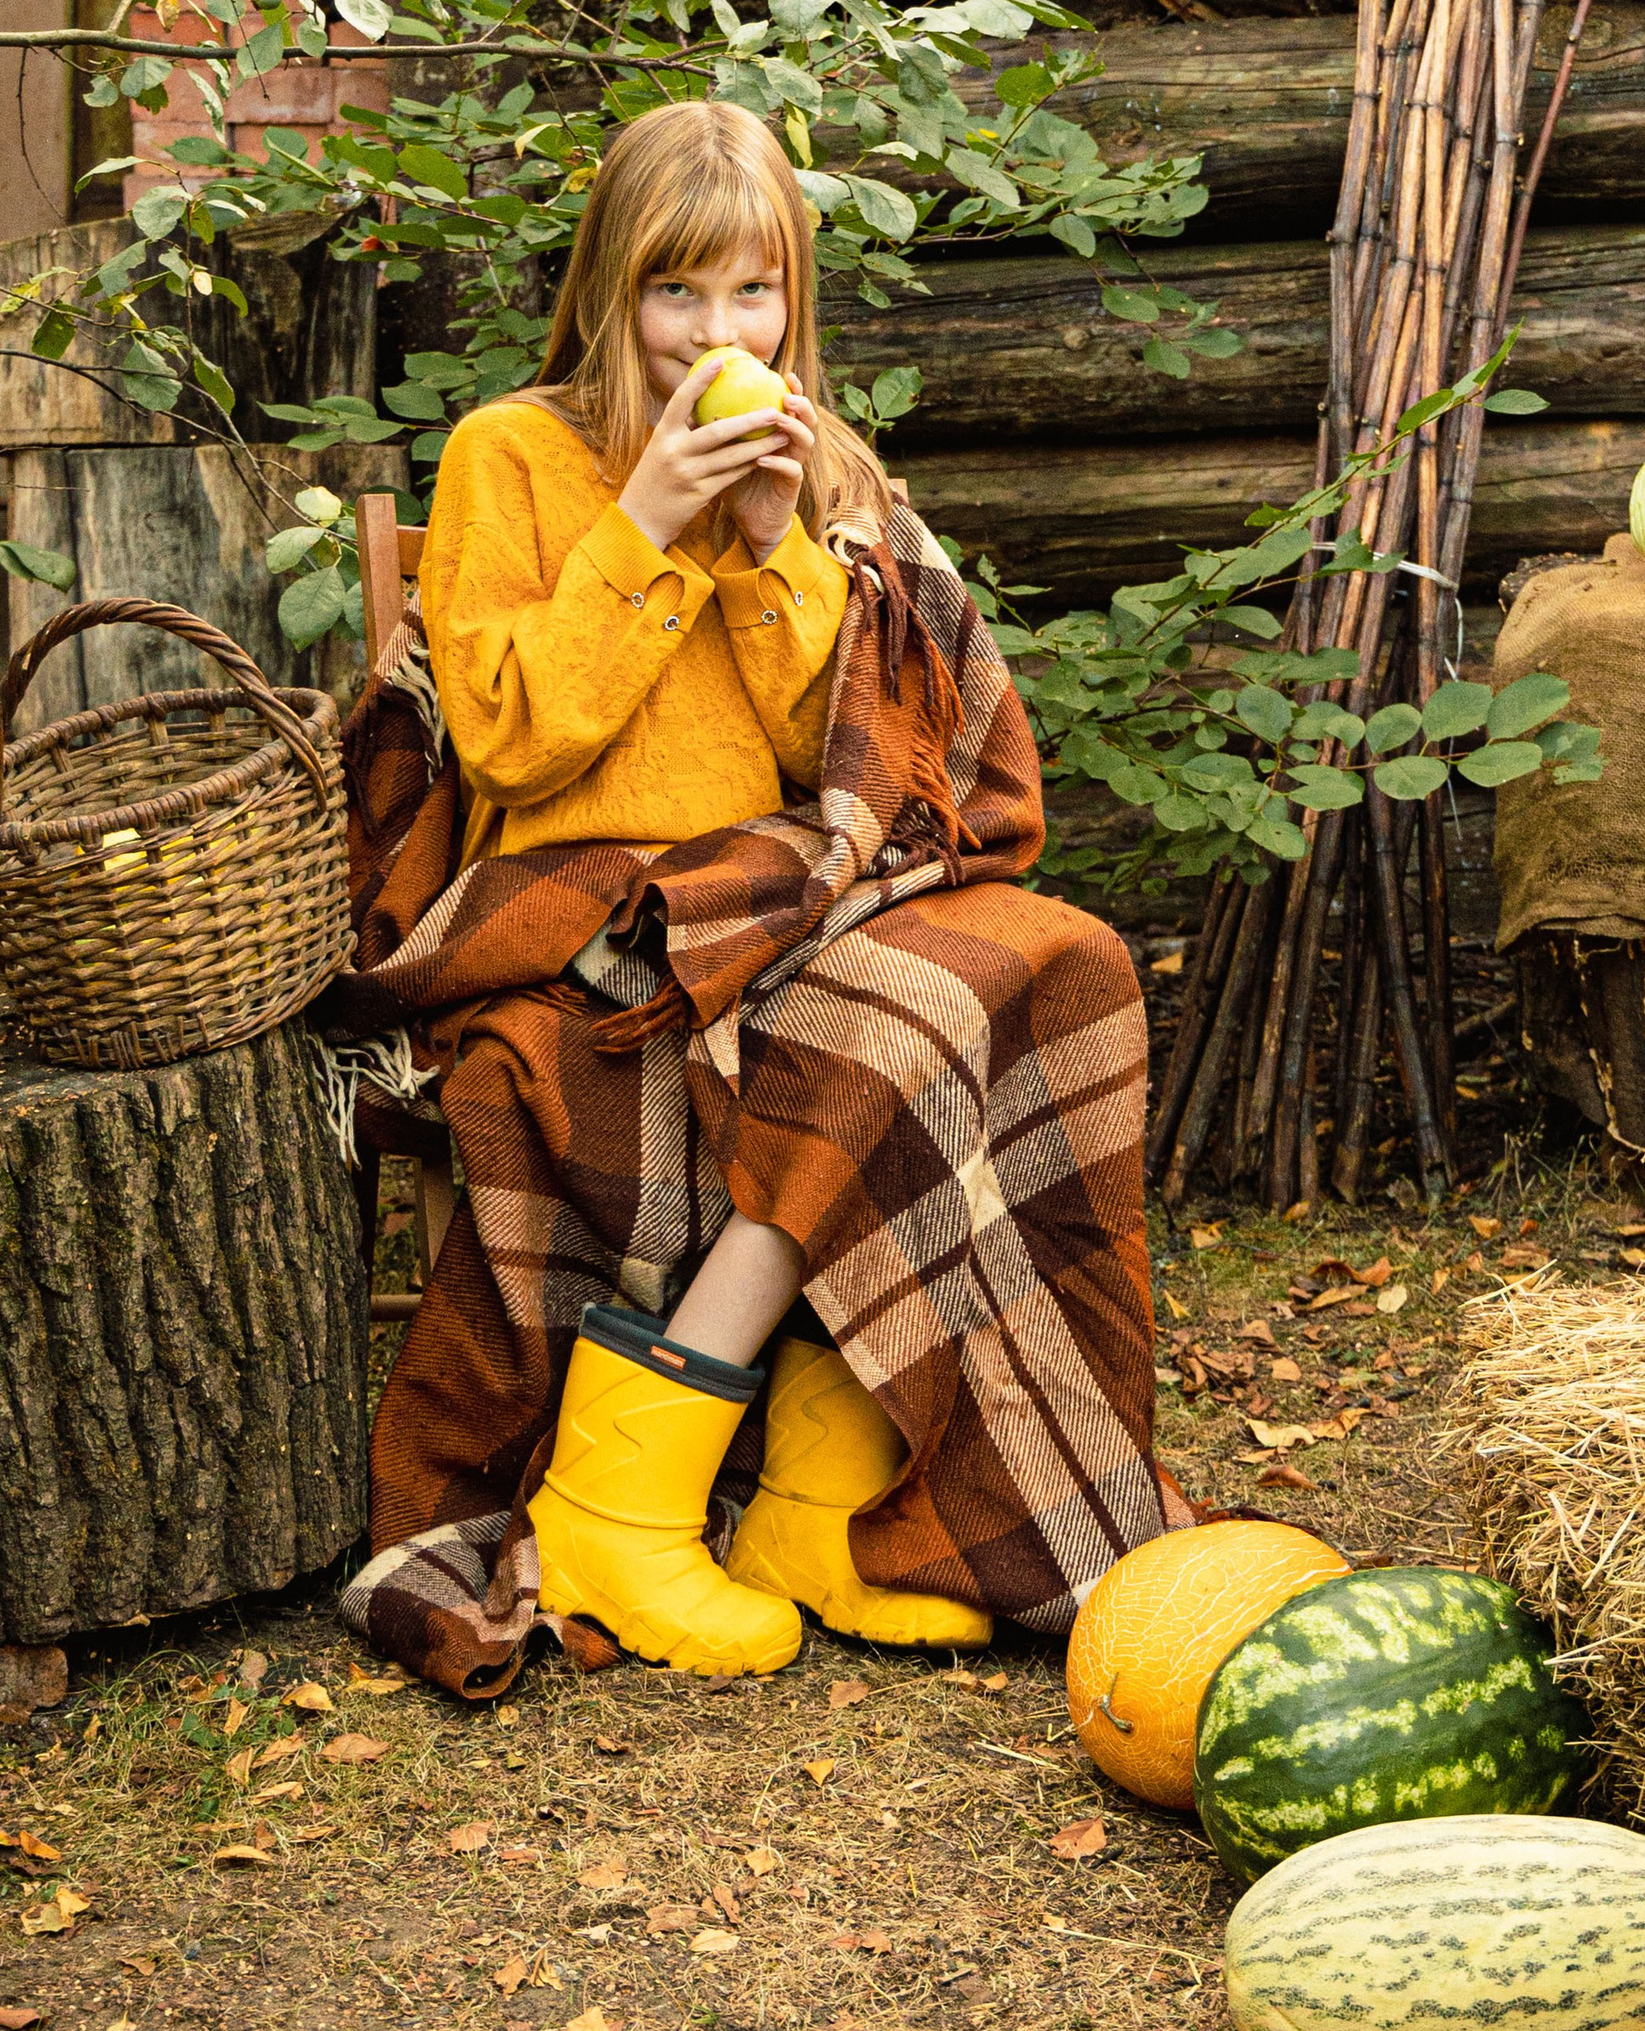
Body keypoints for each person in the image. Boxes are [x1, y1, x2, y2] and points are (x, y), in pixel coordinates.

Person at [332, 98, 1184, 1697]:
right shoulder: (510, 456)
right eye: (675, 293)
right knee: (914, 1021)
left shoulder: (823, 461)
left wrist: (778, 540)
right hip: (585, 922)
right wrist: (649, 522)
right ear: (606, 290)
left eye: (750, 294)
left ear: (793, 297)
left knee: (1062, 958)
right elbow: (515, 734)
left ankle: (816, 1498)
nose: (710, 334)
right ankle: (618, 1500)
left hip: (789, 898)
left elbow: (847, 757)